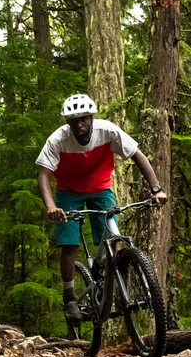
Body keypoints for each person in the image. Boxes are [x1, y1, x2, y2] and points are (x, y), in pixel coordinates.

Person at [35, 93, 168, 326]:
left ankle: (117, 287)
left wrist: (156, 189)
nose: (79, 124)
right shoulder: (57, 140)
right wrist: (51, 206)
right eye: (73, 120)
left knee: (113, 236)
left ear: (91, 118)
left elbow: (137, 155)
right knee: (69, 242)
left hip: (100, 189)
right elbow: (43, 175)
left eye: (83, 118)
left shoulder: (108, 131)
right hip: (68, 192)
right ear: (67, 122)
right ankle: (69, 298)